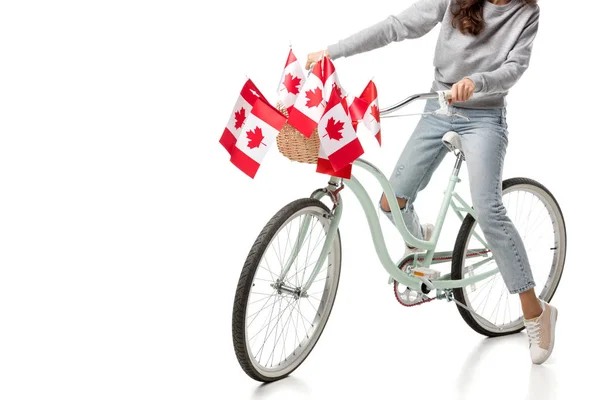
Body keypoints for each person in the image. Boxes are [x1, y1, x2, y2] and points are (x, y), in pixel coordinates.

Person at [306, 0, 557, 365]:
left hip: (484, 117)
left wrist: (478, 82)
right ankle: (420, 243)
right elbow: (397, 25)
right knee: (392, 201)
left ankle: (535, 311)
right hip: (437, 106)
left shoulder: (526, 13)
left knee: (488, 209)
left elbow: (515, 67)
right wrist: (333, 52)